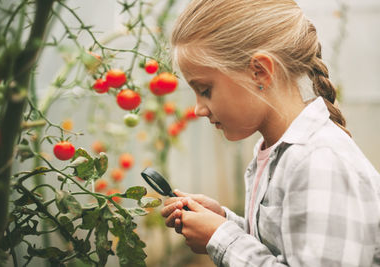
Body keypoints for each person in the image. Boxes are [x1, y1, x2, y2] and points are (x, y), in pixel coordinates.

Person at [160, 0, 380, 266]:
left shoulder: (317, 161)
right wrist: (224, 222)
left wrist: (221, 238)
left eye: (205, 90)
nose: (198, 109)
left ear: (259, 72)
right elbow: (287, 246)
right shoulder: (278, 152)